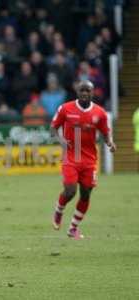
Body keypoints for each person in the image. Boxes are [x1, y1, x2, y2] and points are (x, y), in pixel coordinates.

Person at [50, 80, 116, 239]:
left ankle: (73, 228)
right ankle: (59, 210)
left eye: (88, 91)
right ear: (77, 92)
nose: (85, 93)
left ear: (93, 93)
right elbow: (53, 128)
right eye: (82, 90)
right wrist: (61, 141)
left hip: (89, 160)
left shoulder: (99, 113)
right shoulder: (65, 108)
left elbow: (106, 132)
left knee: (86, 194)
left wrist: (110, 143)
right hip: (71, 157)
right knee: (70, 191)